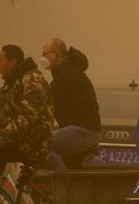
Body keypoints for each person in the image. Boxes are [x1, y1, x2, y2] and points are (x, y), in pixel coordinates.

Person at [41, 38, 101, 171]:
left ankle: (64, 187)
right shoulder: (66, 71)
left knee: (42, 143)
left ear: (56, 54)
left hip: (83, 131)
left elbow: (45, 100)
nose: (42, 58)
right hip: (81, 130)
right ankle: (67, 187)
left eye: (45, 54)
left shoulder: (66, 74)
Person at [0, 44, 54, 166]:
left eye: (1, 60)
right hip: (19, 141)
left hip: (33, 145)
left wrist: (2, 134)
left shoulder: (33, 80)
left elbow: (28, 115)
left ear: (13, 61)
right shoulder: (12, 82)